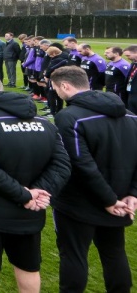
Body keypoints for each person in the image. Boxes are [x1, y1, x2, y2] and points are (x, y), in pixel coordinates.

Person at [0, 74, 70, 293]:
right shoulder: (44, 122)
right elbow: (62, 165)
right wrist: (36, 194)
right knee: (28, 265)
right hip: (30, 210)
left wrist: (26, 195)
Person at [50, 66, 137, 293]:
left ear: (65, 86)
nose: (56, 93)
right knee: (114, 252)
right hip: (120, 199)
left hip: (80, 202)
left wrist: (109, 200)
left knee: (74, 254)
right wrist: (131, 194)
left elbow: (81, 164)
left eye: (56, 88)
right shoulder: (129, 114)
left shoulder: (69, 117)